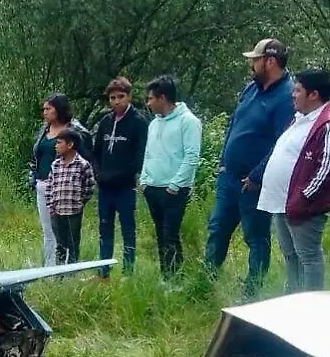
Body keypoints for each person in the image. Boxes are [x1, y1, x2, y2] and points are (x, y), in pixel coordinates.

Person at [206, 38, 295, 299]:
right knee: (217, 229)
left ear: (270, 61)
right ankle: (206, 282)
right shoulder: (250, 89)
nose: (251, 65)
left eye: (254, 60)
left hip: (255, 184)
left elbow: (283, 143)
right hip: (229, 178)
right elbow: (233, 125)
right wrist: (223, 163)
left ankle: (251, 292)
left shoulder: (287, 97)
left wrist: (257, 176)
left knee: (256, 239)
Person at [257, 68, 330, 292]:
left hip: (302, 205)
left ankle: (311, 304)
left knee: (308, 257)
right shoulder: (300, 119)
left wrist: (304, 197)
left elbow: (327, 166)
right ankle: (292, 299)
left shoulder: (329, 123)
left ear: (313, 94)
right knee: (290, 256)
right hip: (281, 202)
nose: (293, 95)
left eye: (297, 90)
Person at [137, 75, 202, 278]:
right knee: (160, 235)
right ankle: (166, 276)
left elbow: (192, 156)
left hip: (174, 190)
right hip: (152, 187)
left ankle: (175, 278)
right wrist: (144, 180)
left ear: (162, 98)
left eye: (150, 99)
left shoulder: (188, 121)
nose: (148, 103)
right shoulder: (154, 124)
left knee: (169, 235)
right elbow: (149, 153)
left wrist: (175, 185)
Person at [91, 77, 147, 276]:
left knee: (127, 230)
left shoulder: (139, 122)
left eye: (121, 97)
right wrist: (98, 173)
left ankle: (128, 272)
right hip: (105, 188)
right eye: (112, 97)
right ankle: (103, 272)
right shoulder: (105, 122)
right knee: (104, 230)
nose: (116, 101)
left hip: (125, 187)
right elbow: (95, 152)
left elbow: (139, 158)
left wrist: (117, 176)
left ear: (129, 97)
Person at [29, 94, 91, 266]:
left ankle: (67, 268)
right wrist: (32, 176)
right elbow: (36, 156)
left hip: (67, 188)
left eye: (49, 108)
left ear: (59, 109)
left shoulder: (74, 130)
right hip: (43, 184)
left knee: (66, 233)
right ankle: (49, 269)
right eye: (44, 109)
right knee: (47, 230)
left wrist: (80, 195)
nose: (45, 112)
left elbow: (86, 160)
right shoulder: (44, 130)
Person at [47, 128, 94, 264]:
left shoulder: (82, 165)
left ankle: (72, 270)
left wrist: (81, 202)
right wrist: (51, 205)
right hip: (57, 210)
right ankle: (59, 272)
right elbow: (50, 185)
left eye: (59, 142)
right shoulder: (55, 165)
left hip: (74, 211)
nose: (56, 146)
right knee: (60, 244)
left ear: (70, 145)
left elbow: (89, 185)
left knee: (73, 243)